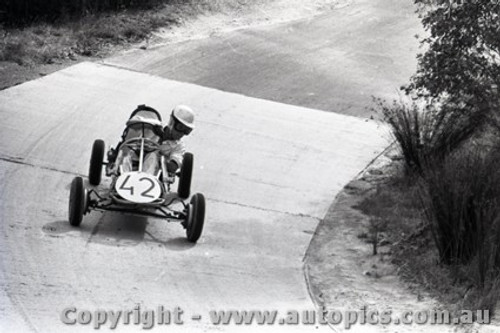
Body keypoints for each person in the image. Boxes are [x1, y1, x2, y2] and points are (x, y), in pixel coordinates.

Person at [160, 105, 195, 177]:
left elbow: (173, 167)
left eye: (186, 130)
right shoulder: (153, 130)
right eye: (180, 127)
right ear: (171, 122)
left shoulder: (179, 147)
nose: (181, 133)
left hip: (158, 176)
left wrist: (157, 158)